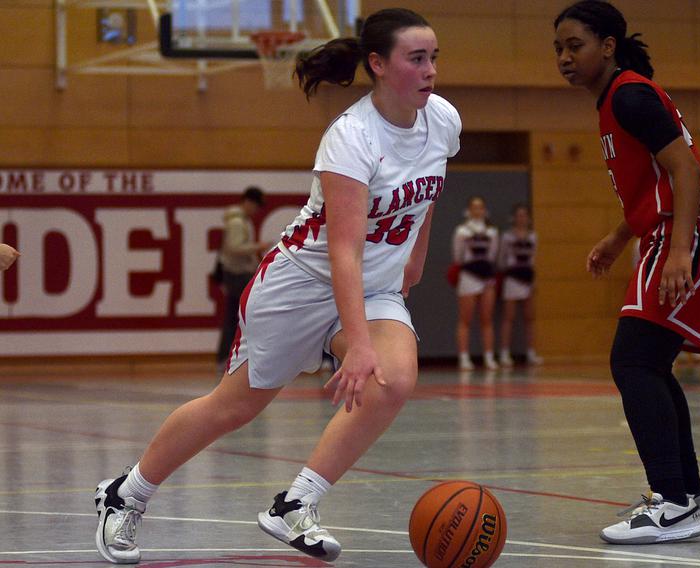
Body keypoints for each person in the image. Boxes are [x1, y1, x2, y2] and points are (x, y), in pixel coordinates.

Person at [93, 8, 461, 564]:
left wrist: (417, 255)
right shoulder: (352, 137)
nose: (430, 69)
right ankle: (126, 494)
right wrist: (358, 345)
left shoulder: (444, 119)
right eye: (417, 58)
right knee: (235, 407)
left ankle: (296, 503)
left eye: (433, 57)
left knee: (395, 379)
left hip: (376, 285)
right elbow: (342, 251)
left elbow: (429, 188)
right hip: (301, 284)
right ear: (379, 65)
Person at [554, 0, 700, 544]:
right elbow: (652, 183)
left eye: (575, 46)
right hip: (671, 230)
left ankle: (674, 503)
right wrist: (618, 237)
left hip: (689, 232)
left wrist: (680, 250)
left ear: (608, 46)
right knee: (650, 364)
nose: (565, 58)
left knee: (634, 360)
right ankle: (691, 493)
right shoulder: (618, 98)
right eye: (558, 49)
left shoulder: (630, 94)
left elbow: (683, 168)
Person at [216, 186, 269, 370]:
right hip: (238, 274)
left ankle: (226, 357)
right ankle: (231, 357)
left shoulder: (239, 220)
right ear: (247, 202)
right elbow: (234, 247)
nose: (255, 210)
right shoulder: (238, 222)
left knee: (234, 317)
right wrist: (256, 247)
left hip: (234, 274)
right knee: (242, 316)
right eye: (255, 206)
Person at [452, 196, 499, 371]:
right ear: (469, 210)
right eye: (474, 207)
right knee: (465, 318)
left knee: (487, 318)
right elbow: (457, 256)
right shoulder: (462, 231)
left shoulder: (492, 232)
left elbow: (493, 255)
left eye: (481, 207)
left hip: (486, 277)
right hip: (469, 276)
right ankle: (464, 357)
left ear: (484, 210)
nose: (477, 210)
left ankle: (488, 357)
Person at [496, 203, 543, 367]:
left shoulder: (532, 236)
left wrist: (533, 279)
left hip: (527, 277)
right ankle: (504, 353)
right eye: (519, 215)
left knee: (529, 317)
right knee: (508, 317)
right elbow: (501, 258)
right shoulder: (507, 236)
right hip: (512, 277)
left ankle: (531, 352)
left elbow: (533, 258)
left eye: (524, 215)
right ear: (514, 218)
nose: (522, 218)